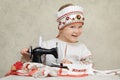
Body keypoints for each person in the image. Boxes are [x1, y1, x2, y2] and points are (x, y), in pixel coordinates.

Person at [20, 3, 92, 66]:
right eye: (72, 27)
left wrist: (72, 64)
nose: (77, 31)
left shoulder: (82, 48)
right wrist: (26, 56)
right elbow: (34, 65)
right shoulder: (46, 45)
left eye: (80, 27)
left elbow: (89, 65)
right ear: (61, 28)